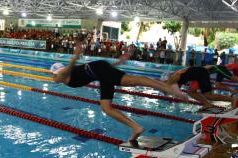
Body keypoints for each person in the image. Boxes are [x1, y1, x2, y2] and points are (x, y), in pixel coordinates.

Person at [50, 43, 187, 142]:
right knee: (109, 106)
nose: (53, 77)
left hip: (100, 71)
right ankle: (137, 127)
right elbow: (98, 68)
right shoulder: (64, 75)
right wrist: (118, 63)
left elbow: (68, 68)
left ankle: (170, 89)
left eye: (54, 74)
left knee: (135, 82)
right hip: (101, 71)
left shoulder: (62, 74)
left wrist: (74, 56)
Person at [166, 67, 236, 111]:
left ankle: (232, 99)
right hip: (197, 75)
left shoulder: (174, 77)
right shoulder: (175, 76)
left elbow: (173, 89)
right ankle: (207, 104)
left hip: (201, 74)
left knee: (208, 95)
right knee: (190, 92)